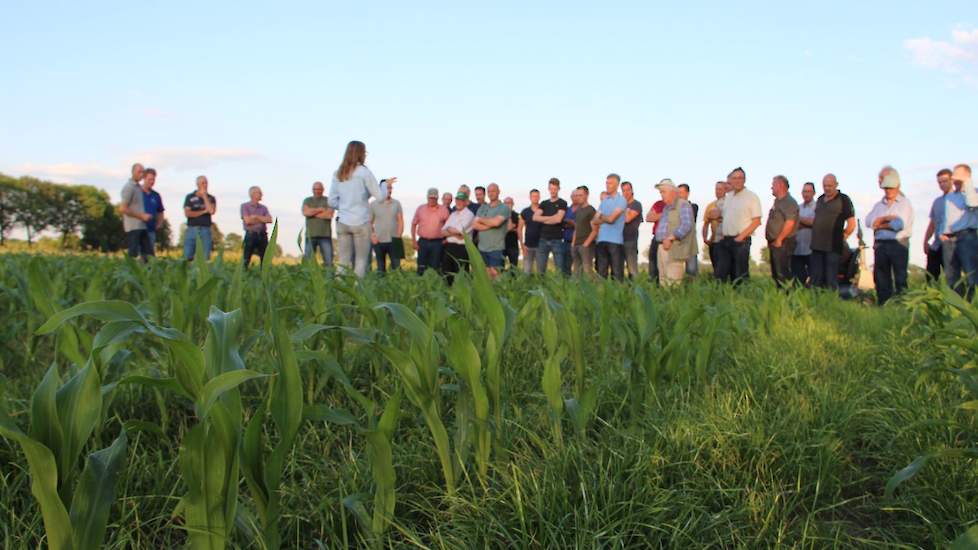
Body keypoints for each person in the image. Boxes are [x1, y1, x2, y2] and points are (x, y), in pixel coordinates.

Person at [328, 140, 392, 278]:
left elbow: (331, 201)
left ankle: (340, 292)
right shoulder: (364, 172)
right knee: (361, 261)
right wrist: (384, 185)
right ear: (361, 154)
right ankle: (357, 292)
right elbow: (380, 197)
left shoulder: (338, 173)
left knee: (343, 261)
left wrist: (345, 206)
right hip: (361, 221)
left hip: (342, 221)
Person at [865, 167, 914, 305]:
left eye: (891, 188)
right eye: (885, 188)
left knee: (900, 277)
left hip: (898, 243)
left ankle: (902, 305)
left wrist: (880, 222)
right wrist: (887, 219)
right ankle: (884, 304)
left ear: (897, 186)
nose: (888, 191)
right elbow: (869, 222)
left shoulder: (905, 203)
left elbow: (899, 224)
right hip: (881, 244)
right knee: (881, 277)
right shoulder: (878, 205)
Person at [709, 167, 761, 283]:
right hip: (726, 239)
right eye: (734, 178)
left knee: (739, 275)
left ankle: (742, 299)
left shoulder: (751, 197)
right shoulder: (729, 197)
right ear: (730, 181)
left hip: (741, 241)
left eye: (740, 178)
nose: (737, 180)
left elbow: (757, 221)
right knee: (720, 274)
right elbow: (726, 217)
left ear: (744, 180)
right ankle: (720, 298)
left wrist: (740, 238)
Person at [810, 173, 856, 290]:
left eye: (830, 186)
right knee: (816, 278)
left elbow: (851, 223)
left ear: (836, 185)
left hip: (832, 246)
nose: (827, 188)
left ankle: (831, 301)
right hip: (816, 246)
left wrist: (844, 236)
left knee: (831, 278)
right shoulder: (820, 199)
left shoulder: (843, 199)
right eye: (825, 186)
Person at [940, 164, 978, 298]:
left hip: (967, 237)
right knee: (951, 276)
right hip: (949, 239)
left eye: (957, 174)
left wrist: (966, 182)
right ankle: (957, 307)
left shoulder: (974, 193)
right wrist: (942, 232)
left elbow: (972, 203)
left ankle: (973, 306)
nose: (954, 177)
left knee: (971, 273)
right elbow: (946, 218)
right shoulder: (950, 197)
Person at [653, 180, 696, 286]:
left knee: (673, 282)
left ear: (673, 191)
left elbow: (686, 225)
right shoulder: (666, 208)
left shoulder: (683, 204)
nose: (661, 195)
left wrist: (671, 238)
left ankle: (673, 301)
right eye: (660, 192)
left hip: (674, 248)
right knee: (663, 280)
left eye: (663, 192)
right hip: (662, 246)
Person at [765, 175, 799, 288]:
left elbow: (790, 223)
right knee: (776, 273)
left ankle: (787, 298)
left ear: (780, 185)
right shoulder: (778, 202)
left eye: (773, 185)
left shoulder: (789, 202)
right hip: (775, 242)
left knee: (783, 273)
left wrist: (779, 239)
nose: (771, 187)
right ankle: (779, 297)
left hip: (784, 242)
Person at [472, 183, 511, 279]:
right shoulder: (483, 207)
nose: (491, 193)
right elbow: (474, 225)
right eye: (489, 191)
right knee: (485, 277)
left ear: (498, 192)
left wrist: (481, 220)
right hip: (482, 248)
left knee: (496, 277)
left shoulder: (504, 208)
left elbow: (497, 223)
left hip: (496, 249)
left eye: (493, 191)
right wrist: (490, 224)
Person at [594, 174, 627, 280]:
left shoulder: (621, 200)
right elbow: (594, 220)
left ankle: (617, 295)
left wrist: (602, 217)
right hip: (601, 240)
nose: (607, 185)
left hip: (615, 241)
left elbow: (612, 219)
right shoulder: (604, 201)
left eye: (610, 183)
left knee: (617, 274)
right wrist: (604, 218)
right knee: (601, 273)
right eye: (606, 183)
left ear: (617, 185)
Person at [923, 169, 953, 283]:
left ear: (951, 180)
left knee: (951, 277)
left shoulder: (959, 199)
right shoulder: (937, 202)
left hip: (952, 243)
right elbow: (932, 223)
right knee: (931, 277)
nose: (942, 184)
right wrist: (926, 240)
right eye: (939, 182)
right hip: (937, 244)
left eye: (945, 181)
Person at [533, 178, 568, 274]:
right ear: (548, 188)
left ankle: (558, 288)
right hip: (543, 240)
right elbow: (535, 217)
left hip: (557, 240)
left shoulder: (562, 203)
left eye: (555, 189)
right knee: (540, 270)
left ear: (559, 189)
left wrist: (544, 219)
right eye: (551, 188)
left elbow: (558, 219)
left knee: (559, 270)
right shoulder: (544, 203)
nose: (553, 191)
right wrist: (551, 218)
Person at [411, 187, 449, 275]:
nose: (432, 199)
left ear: (437, 198)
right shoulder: (420, 208)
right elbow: (413, 225)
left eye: (434, 198)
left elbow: (449, 226)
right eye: (430, 197)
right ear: (427, 197)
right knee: (421, 266)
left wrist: (447, 239)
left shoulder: (443, 210)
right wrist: (414, 241)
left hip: (438, 243)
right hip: (422, 242)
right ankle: (420, 284)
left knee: (435, 267)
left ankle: (433, 286)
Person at [120, 163, 153, 261]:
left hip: (142, 226)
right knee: (133, 254)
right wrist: (141, 216)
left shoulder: (138, 187)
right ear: (133, 172)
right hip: (133, 227)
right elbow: (123, 208)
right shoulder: (129, 187)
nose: (141, 174)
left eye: (143, 172)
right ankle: (130, 274)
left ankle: (149, 274)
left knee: (149, 255)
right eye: (139, 172)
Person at [441, 191, 475, 284]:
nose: (459, 202)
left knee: (461, 274)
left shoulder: (469, 214)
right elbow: (442, 232)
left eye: (461, 200)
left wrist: (451, 230)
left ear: (466, 202)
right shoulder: (453, 214)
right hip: (450, 247)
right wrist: (455, 233)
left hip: (462, 248)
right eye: (457, 200)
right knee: (447, 273)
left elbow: (460, 231)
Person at [370, 180, 404, 273]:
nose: (389, 190)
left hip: (394, 240)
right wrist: (372, 235)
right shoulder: (373, 204)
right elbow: (369, 222)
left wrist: (399, 235)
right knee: (380, 269)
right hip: (378, 241)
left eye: (390, 188)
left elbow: (400, 221)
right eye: (387, 188)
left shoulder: (396, 203)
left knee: (397, 269)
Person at [183, 175, 216, 261]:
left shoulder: (211, 198)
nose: (204, 185)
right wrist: (203, 212)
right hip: (192, 229)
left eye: (206, 183)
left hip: (206, 229)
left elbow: (211, 211)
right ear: (197, 184)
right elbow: (188, 213)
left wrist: (204, 196)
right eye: (202, 183)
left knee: (205, 256)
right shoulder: (189, 197)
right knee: (188, 255)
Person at [302, 181, 335, 266]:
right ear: (312, 190)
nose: (317, 191)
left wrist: (312, 213)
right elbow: (306, 212)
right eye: (315, 189)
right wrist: (320, 210)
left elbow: (329, 215)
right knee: (308, 261)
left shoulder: (328, 200)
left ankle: (329, 278)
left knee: (328, 261)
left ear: (323, 190)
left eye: (319, 189)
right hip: (310, 235)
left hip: (325, 235)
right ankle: (307, 278)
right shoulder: (307, 200)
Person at [241, 186, 273, 267]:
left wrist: (256, 217)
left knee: (265, 258)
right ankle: (244, 274)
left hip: (262, 235)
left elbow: (269, 220)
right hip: (251, 234)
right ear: (253, 194)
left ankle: (264, 276)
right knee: (246, 257)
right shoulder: (245, 206)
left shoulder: (264, 208)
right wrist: (262, 219)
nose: (262, 194)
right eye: (259, 192)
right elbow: (247, 221)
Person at [792, 182, 816, 285]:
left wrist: (799, 220)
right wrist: (805, 223)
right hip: (797, 250)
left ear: (814, 193)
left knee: (814, 278)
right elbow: (793, 224)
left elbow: (815, 222)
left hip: (811, 249)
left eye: (809, 191)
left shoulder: (817, 206)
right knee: (798, 280)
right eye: (804, 191)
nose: (806, 194)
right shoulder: (798, 207)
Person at [702, 181, 728, 275]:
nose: (718, 191)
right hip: (713, 241)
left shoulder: (729, 204)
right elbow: (706, 223)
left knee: (723, 267)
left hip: (725, 240)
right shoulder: (710, 206)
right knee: (716, 266)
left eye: (720, 189)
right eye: (716, 189)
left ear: (726, 190)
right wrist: (705, 238)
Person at [571, 186, 597, 276]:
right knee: (576, 272)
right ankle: (577, 289)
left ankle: (591, 289)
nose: (578, 197)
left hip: (587, 246)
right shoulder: (578, 210)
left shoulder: (591, 210)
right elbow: (576, 228)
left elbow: (595, 230)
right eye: (577, 195)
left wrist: (586, 244)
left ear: (586, 195)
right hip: (576, 245)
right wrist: (573, 243)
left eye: (581, 195)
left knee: (587, 271)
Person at [621, 181, 643, 279]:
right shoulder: (621, 205)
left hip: (630, 240)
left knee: (632, 269)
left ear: (632, 190)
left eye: (628, 190)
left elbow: (627, 219)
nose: (626, 192)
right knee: (618, 269)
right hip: (619, 240)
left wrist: (620, 214)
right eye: (623, 190)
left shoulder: (636, 204)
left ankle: (636, 291)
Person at [519, 189, 543, 274]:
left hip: (541, 246)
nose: (535, 198)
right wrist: (522, 245)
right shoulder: (525, 212)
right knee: (526, 272)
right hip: (528, 246)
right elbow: (519, 229)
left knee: (541, 273)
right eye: (533, 196)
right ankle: (526, 287)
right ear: (530, 197)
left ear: (539, 197)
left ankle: (542, 287)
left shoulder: (544, 211)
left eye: (537, 196)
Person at [141, 168, 165, 253]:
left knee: (149, 255)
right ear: (144, 178)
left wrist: (159, 223)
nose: (152, 182)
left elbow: (160, 211)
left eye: (153, 179)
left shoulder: (156, 195)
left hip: (151, 230)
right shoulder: (137, 192)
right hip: (138, 229)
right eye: (149, 179)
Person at [678, 183, 699, 276]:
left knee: (691, 270)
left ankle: (693, 289)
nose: (679, 195)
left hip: (690, 243)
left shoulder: (693, 206)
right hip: (678, 243)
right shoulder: (674, 208)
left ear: (687, 193)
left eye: (681, 192)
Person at [645, 196, 666, 282]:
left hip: (667, 237)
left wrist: (657, 215)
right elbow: (649, 218)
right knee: (653, 260)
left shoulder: (675, 205)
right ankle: (653, 282)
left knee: (664, 263)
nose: (662, 194)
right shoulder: (658, 204)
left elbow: (673, 217)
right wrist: (664, 214)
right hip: (656, 235)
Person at [503, 197, 520, 270]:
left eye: (509, 203)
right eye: (506, 203)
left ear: (513, 204)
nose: (507, 205)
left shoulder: (517, 215)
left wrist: (509, 215)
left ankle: (513, 281)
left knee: (513, 268)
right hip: (501, 245)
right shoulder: (500, 215)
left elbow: (515, 229)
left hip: (513, 245)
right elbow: (510, 228)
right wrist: (511, 227)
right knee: (500, 268)